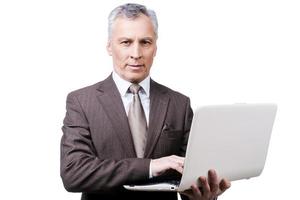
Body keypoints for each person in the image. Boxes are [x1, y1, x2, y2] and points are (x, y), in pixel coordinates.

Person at [60, 3, 231, 200]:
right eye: (126, 42)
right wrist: (150, 166)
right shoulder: (82, 102)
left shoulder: (179, 104)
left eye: (145, 42)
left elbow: (186, 180)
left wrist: (204, 196)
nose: (136, 53)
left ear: (155, 47)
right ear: (109, 46)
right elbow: (73, 173)